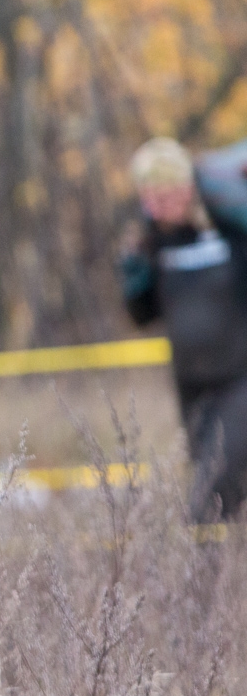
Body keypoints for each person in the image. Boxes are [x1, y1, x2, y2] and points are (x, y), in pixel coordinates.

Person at [120, 136, 247, 521]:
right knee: (224, 494)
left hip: (239, 382)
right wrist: (134, 282)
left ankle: (202, 555)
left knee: (210, 496)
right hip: (191, 388)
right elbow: (143, 316)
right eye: (149, 197)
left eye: (166, 195)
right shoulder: (152, 244)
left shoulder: (229, 230)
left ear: (188, 189)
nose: (157, 206)